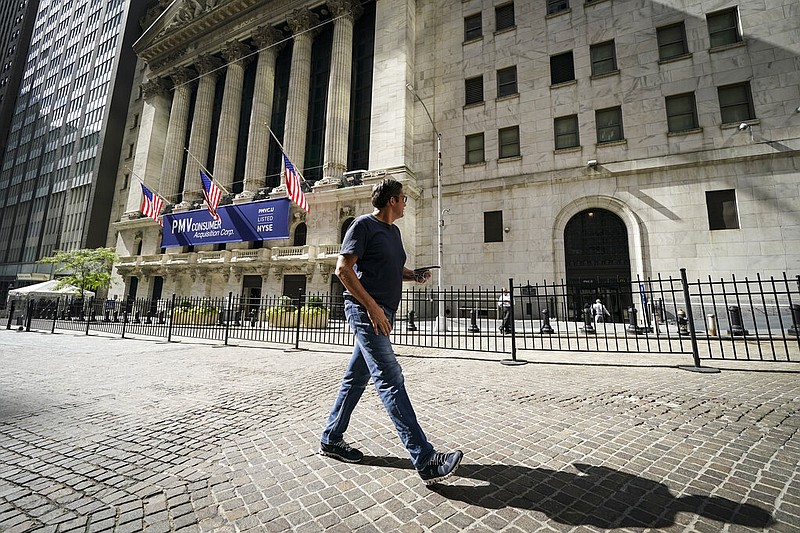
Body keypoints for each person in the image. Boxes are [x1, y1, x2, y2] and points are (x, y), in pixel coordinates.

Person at [319, 178, 463, 485]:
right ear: (392, 201)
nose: (406, 203)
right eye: (403, 199)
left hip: (383, 311)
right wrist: (371, 307)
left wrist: (414, 275)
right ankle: (424, 458)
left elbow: (391, 268)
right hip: (365, 311)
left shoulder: (394, 232)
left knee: (356, 378)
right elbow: (343, 269)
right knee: (390, 378)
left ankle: (331, 438)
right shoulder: (362, 226)